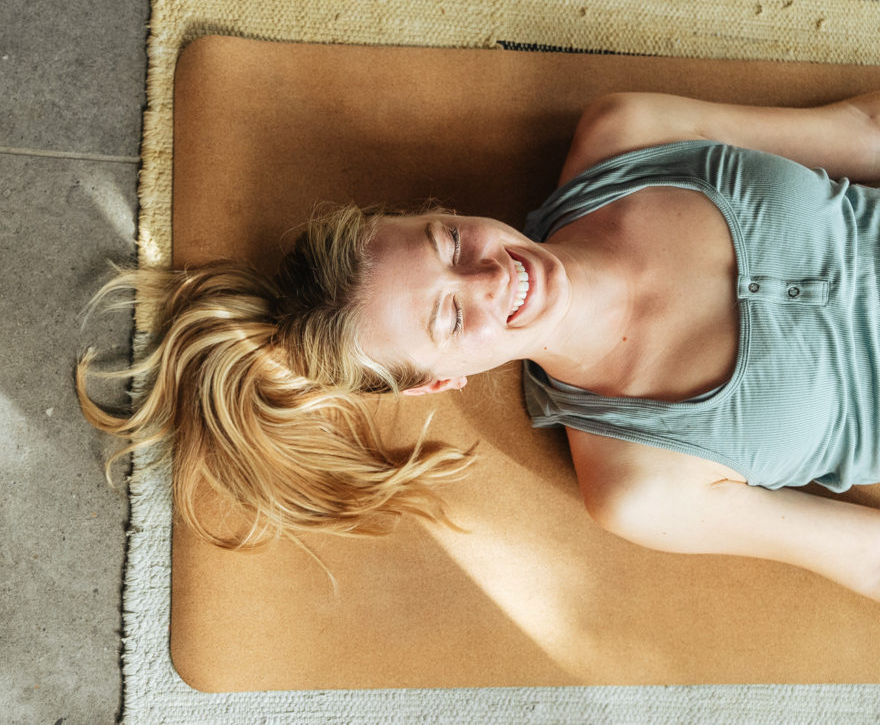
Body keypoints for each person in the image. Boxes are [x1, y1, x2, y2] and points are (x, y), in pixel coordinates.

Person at [77, 89, 880, 601]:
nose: (495, 278)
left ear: (442, 210)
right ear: (437, 383)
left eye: (451, 242)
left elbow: (857, 130)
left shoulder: (626, 137)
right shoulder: (642, 480)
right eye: (452, 321)